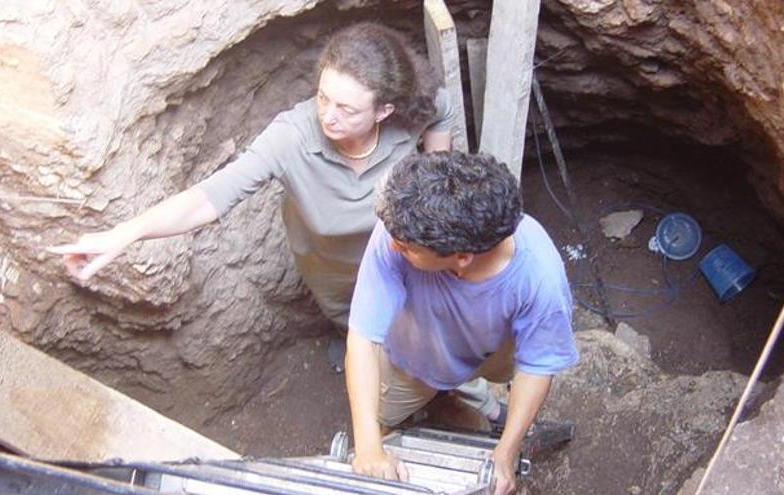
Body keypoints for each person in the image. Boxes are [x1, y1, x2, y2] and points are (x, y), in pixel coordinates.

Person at [48, 22, 454, 371]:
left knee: (410, 317)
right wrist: (125, 234)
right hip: (329, 263)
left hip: (398, 254)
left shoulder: (407, 116)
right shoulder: (291, 136)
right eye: (323, 97)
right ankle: (353, 342)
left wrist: (437, 171)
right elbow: (209, 197)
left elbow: (443, 108)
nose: (328, 115)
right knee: (347, 316)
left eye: (346, 109)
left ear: (383, 112)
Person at [345, 151, 579, 495]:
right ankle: (454, 399)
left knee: (508, 371)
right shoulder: (400, 227)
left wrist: (506, 452)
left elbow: (537, 366)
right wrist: (368, 448)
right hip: (413, 355)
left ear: (462, 257)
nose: (392, 243)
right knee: (383, 413)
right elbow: (364, 338)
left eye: (407, 247)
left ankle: (484, 405)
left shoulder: (539, 276)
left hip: (494, 347)